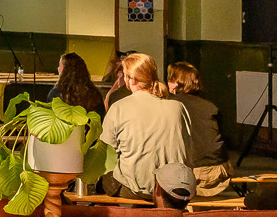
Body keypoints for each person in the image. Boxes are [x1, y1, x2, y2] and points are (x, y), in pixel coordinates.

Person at [99, 53, 192, 205]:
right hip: (174, 189)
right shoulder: (178, 108)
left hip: (134, 189)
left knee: (105, 179)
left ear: (132, 79)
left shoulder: (119, 108)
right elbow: (189, 148)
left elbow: (105, 153)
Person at [167, 61, 232, 198]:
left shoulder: (170, 105)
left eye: (169, 78)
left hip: (193, 173)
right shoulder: (210, 106)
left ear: (175, 81)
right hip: (219, 169)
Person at [49, 52, 106, 116]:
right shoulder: (95, 94)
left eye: (60, 66)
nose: (58, 69)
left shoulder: (57, 94)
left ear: (66, 70)